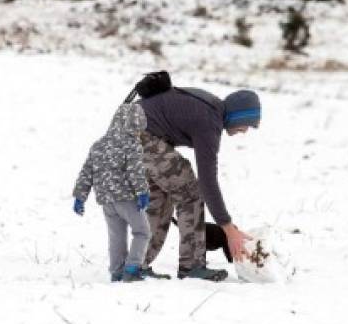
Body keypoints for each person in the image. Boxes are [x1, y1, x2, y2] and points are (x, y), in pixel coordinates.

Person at [137, 87, 260, 281]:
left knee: (163, 197)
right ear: (237, 115)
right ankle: (192, 266)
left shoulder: (211, 110)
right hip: (138, 135)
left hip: (130, 132)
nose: (245, 131)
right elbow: (208, 181)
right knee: (189, 193)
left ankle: (135, 265)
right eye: (247, 124)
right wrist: (228, 229)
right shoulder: (209, 122)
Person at [72, 103, 152, 282]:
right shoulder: (131, 143)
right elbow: (135, 170)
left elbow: (87, 172)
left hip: (106, 201)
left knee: (117, 237)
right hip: (126, 198)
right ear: (136, 124)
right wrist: (142, 192)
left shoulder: (98, 144)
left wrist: (80, 196)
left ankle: (116, 271)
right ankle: (132, 268)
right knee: (142, 231)